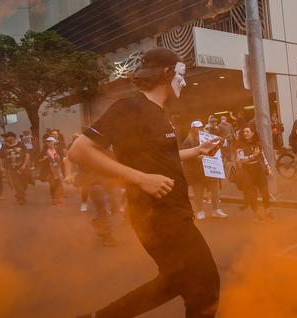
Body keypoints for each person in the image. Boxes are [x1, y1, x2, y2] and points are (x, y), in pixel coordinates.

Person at [69, 47, 221, 318]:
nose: (184, 81)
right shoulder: (130, 106)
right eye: (181, 74)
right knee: (205, 286)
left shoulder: (159, 112)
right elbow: (79, 150)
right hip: (156, 216)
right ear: (166, 73)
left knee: (176, 281)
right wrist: (141, 179)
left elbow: (161, 156)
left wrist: (198, 151)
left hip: (173, 212)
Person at [182, 120, 228, 220]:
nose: (199, 129)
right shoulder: (187, 141)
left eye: (200, 127)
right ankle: (199, 211)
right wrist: (195, 157)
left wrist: (220, 141)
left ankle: (216, 210)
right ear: (192, 128)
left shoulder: (207, 138)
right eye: (197, 127)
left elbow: (215, 149)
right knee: (198, 193)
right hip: (196, 172)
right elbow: (185, 157)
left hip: (209, 170)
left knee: (215, 191)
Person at [235, 124, 275, 222]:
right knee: (252, 193)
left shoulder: (257, 143)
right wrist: (252, 156)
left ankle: (268, 211)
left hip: (259, 169)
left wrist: (268, 168)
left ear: (252, 133)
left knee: (265, 191)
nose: (245, 133)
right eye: (244, 132)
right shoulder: (240, 145)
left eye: (247, 131)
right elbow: (241, 160)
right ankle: (256, 214)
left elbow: (262, 156)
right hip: (247, 171)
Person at [0, 131, 30, 204]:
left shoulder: (21, 145)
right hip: (11, 169)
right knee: (17, 184)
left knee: (24, 183)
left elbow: (27, 155)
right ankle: (21, 198)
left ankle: (20, 193)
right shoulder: (4, 146)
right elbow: (0, 157)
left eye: (7, 137)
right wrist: (1, 166)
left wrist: (24, 165)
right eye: (5, 137)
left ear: (13, 137)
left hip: (22, 168)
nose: (6, 138)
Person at [38, 137, 66, 204]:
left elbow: (62, 158)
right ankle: (54, 198)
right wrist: (44, 159)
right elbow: (38, 160)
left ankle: (58, 197)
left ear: (54, 142)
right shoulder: (45, 151)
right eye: (47, 142)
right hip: (49, 170)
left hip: (58, 170)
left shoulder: (58, 150)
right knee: (52, 184)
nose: (48, 143)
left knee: (58, 184)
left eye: (50, 141)